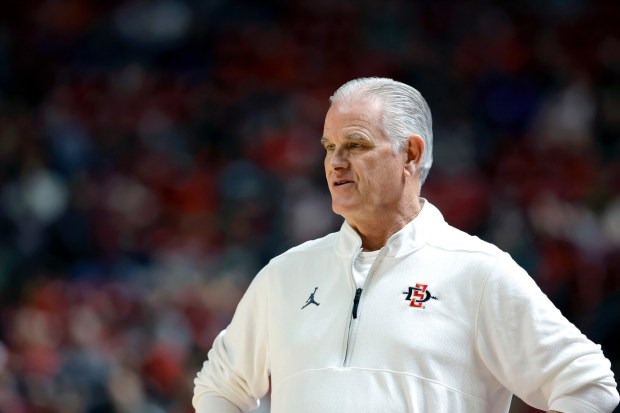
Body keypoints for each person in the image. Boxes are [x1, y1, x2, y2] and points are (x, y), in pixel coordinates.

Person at [193, 77, 619, 412]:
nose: (335, 162)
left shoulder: (478, 271)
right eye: (329, 147)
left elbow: (588, 386)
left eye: (356, 145)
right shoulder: (285, 274)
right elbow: (219, 387)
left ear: (411, 154)